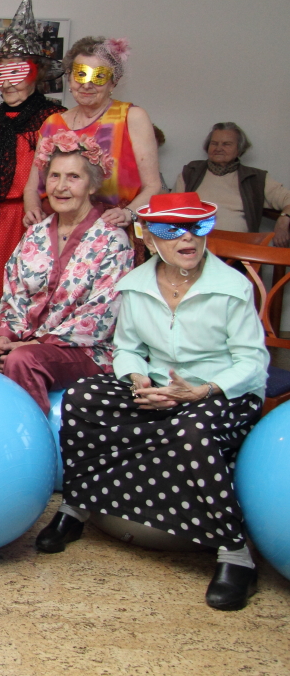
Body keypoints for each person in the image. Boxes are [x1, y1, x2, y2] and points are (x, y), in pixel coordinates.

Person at [35, 192, 269, 612]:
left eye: (197, 227)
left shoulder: (232, 288)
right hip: (159, 387)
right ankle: (77, 507)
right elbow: (127, 348)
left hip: (221, 393)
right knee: (82, 398)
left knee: (191, 428)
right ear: (149, 236)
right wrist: (137, 378)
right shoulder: (136, 285)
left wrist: (202, 390)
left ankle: (235, 554)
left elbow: (252, 362)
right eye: (171, 229)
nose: (187, 238)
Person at [0, 130, 134, 411]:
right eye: (54, 176)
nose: (61, 186)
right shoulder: (35, 233)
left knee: (24, 360)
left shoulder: (113, 239)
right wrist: (5, 339)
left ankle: (31, 434)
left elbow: (100, 315)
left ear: (92, 185)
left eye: (73, 177)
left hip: (84, 350)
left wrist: (34, 345)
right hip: (26, 340)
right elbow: (14, 293)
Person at [0, 0, 65, 295]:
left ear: (36, 74)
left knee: (30, 291)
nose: (8, 83)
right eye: (1, 74)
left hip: (33, 219)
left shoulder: (55, 119)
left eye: (17, 72)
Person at [31, 37, 162, 228]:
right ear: (69, 78)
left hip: (113, 226)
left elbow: (153, 186)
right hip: (59, 227)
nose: (87, 85)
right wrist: (33, 210)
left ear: (113, 82)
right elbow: (32, 187)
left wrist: (128, 213)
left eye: (99, 76)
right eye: (80, 74)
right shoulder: (52, 123)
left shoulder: (131, 117)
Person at [174, 123, 290, 245]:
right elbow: (172, 211)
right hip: (195, 245)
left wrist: (284, 219)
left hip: (239, 248)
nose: (218, 148)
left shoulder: (255, 178)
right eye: (214, 143)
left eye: (226, 144)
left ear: (239, 150)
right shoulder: (191, 172)